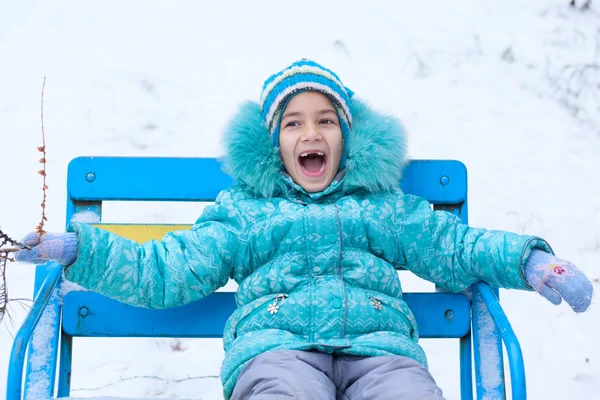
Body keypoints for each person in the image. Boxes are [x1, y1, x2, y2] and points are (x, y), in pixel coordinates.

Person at [16, 59, 594, 400]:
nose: (310, 133)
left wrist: (529, 261)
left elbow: (452, 245)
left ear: (346, 136)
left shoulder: (380, 205)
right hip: (277, 353)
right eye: (293, 123)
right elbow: (168, 269)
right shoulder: (244, 211)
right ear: (275, 144)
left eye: (325, 121)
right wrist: (79, 249)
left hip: (381, 356)